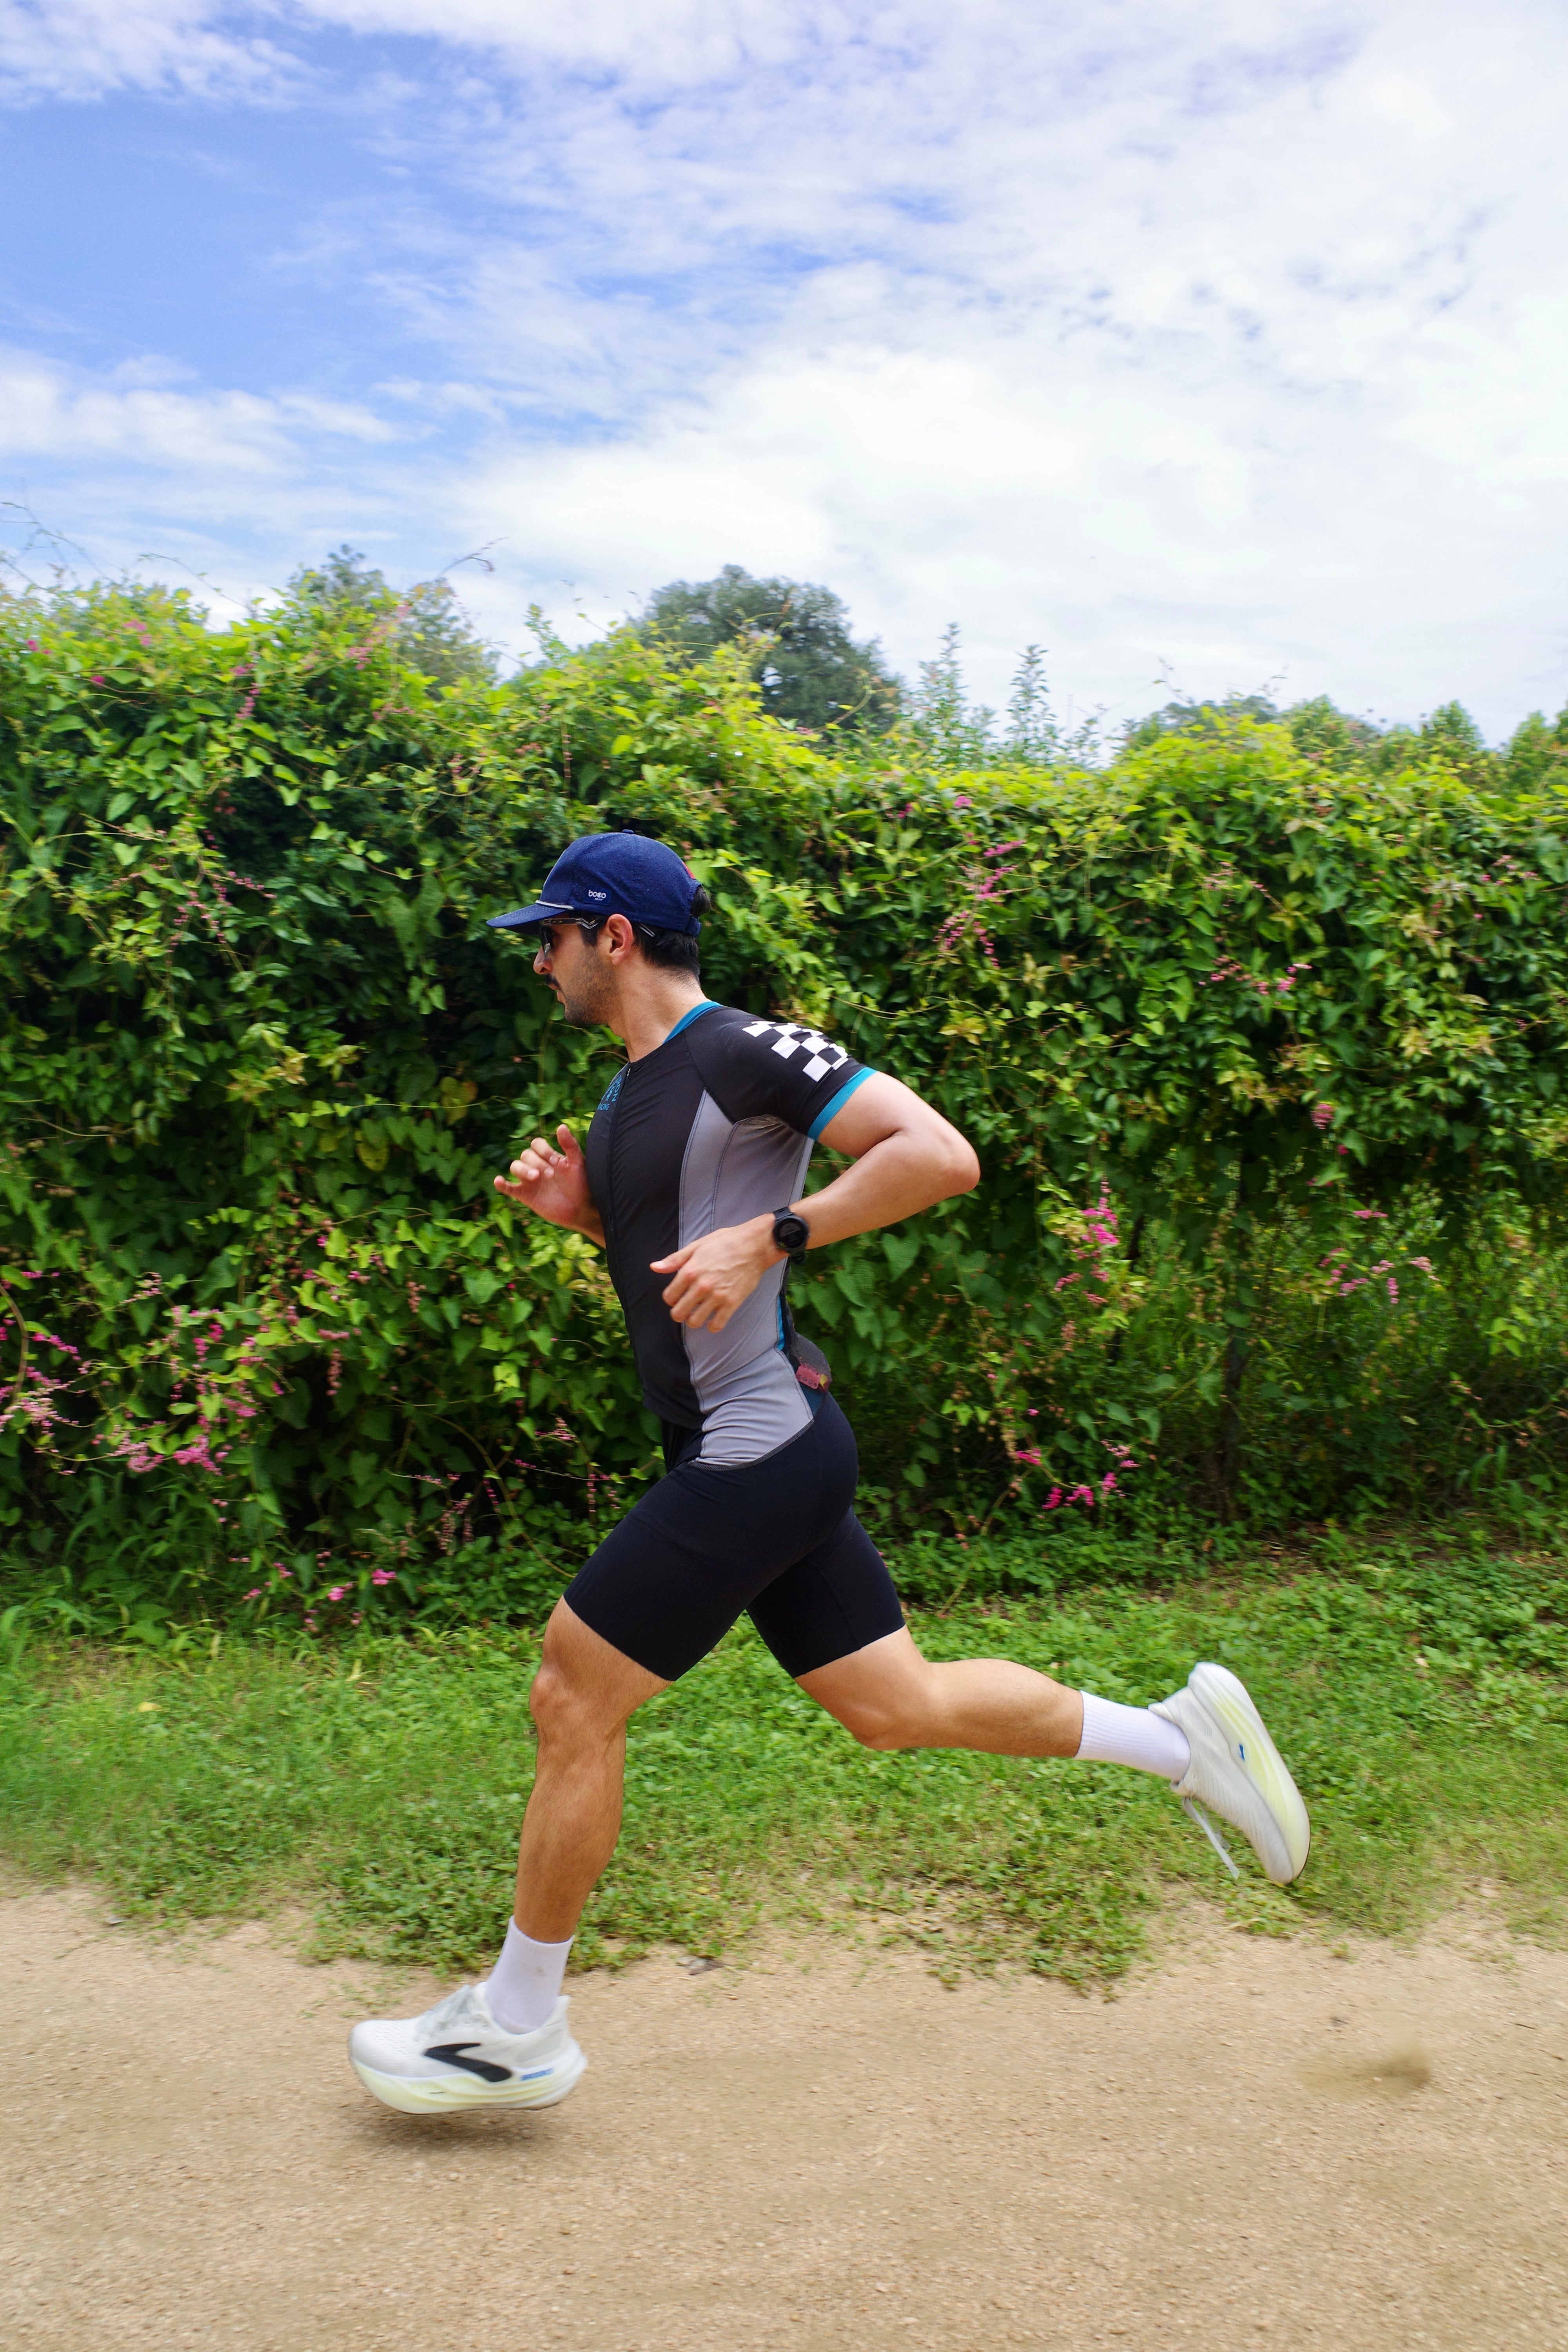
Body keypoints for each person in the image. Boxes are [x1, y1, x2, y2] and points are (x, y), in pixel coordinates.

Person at [348, 833, 1309, 2114]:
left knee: (573, 1694)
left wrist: (776, 1232)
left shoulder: (738, 1048)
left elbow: (937, 1153)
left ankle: (519, 2025)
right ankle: (1183, 1744)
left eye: (553, 937)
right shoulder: (628, 1098)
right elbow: (688, 1272)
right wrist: (590, 1216)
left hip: (762, 1445)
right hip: (743, 1445)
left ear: (614, 938)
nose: (541, 961)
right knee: (894, 1702)